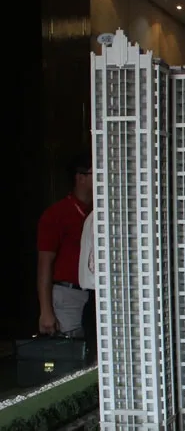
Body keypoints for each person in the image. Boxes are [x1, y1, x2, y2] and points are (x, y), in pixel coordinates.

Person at [36, 153, 92, 336]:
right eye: (96, 174)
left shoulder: (99, 213)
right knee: (71, 346)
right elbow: (45, 263)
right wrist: (46, 311)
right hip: (68, 294)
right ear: (80, 177)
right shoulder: (57, 214)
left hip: (96, 293)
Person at [79, 208, 97, 361]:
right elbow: (96, 265)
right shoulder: (100, 217)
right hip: (100, 298)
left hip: (97, 297)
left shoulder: (95, 216)